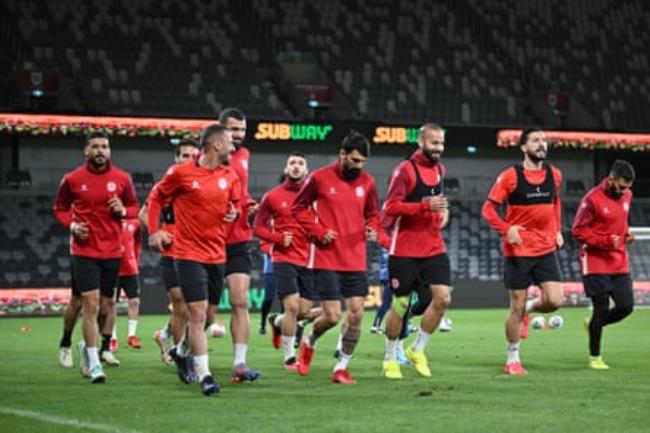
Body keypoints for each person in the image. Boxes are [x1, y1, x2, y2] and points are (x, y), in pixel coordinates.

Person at [147, 124, 239, 396]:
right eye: (230, 142)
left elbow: (234, 206)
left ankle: (181, 350)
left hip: (217, 253)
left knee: (209, 316)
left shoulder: (230, 176)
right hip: (187, 253)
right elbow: (155, 199)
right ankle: (205, 376)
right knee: (196, 313)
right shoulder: (181, 173)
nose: (234, 147)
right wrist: (154, 231)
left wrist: (233, 212)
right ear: (216, 145)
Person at [292, 131, 381, 385]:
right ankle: (309, 339)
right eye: (354, 160)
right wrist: (318, 231)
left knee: (356, 314)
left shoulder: (368, 183)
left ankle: (341, 367)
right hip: (326, 257)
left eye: (362, 162)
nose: (358, 166)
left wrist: (372, 227)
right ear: (342, 154)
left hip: (355, 258)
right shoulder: (318, 178)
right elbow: (298, 209)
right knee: (332, 316)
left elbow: (373, 214)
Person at [53, 130, 139, 383]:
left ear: (109, 151)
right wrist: (72, 226)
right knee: (85, 304)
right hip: (84, 250)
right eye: (95, 147)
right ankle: (88, 359)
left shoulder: (122, 178)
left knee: (107, 306)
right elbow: (59, 208)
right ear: (86, 151)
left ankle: (92, 348)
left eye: (105, 146)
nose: (100, 151)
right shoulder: (72, 179)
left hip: (112, 251)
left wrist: (123, 210)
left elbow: (134, 207)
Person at [482, 128, 564, 376]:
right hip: (518, 251)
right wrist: (507, 230)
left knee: (554, 301)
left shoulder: (555, 175)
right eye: (536, 141)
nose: (542, 144)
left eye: (544, 141)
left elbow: (556, 202)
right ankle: (512, 359)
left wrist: (558, 229)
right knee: (515, 307)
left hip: (546, 247)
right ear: (523, 147)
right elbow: (488, 209)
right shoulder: (510, 176)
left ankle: (529, 309)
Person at [380, 123, 451, 380]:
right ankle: (389, 358)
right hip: (405, 248)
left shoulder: (441, 170)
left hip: (433, 245)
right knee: (400, 304)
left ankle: (417, 349)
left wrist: (443, 211)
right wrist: (424, 205)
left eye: (441, 144)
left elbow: (438, 201)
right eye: (434, 143)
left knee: (443, 299)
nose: (438, 148)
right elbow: (390, 207)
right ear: (421, 142)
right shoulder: (404, 170)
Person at [253, 152, 320, 370]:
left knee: (303, 311)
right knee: (292, 306)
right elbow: (258, 228)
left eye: (301, 163)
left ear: (306, 170)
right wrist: (278, 239)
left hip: (308, 259)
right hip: (283, 257)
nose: (296, 166)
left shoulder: (316, 199)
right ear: (286, 169)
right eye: (292, 163)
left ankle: (277, 321)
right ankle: (290, 357)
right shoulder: (272, 196)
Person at [571, 160, 636, 369]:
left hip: (619, 261)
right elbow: (578, 230)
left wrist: (626, 234)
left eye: (627, 187)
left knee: (626, 307)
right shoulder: (592, 199)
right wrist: (608, 241)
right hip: (595, 261)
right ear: (611, 179)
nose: (624, 191)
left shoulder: (627, 195)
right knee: (601, 309)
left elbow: (622, 219)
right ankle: (595, 357)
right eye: (621, 186)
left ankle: (593, 325)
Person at [142, 139, 199, 365]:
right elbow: (143, 214)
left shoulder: (203, 184)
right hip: (173, 251)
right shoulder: (165, 185)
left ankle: (165, 334)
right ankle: (183, 360)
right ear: (176, 159)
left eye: (193, 156)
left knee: (199, 308)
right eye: (184, 155)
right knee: (180, 304)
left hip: (198, 250)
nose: (189, 160)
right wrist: (158, 231)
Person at [218, 107, 261, 382]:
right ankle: (182, 350)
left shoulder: (244, 155)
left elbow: (240, 193)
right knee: (204, 312)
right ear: (220, 130)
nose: (238, 135)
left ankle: (239, 364)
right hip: (210, 240)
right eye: (233, 129)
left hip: (240, 238)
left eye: (242, 130)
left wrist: (249, 205)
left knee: (240, 301)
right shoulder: (204, 160)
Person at [111, 217, 142, 350]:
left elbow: (138, 242)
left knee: (134, 301)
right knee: (111, 303)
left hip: (130, 269)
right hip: (113, 269)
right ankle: (112, 338)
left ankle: (131, 336)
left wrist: (135, 258)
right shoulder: (109, 221)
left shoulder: (134, 223)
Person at [257, 240, 276, 335]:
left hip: (285, 269)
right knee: (269, 298)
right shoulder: (268, 232)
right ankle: (263, 323)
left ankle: (281, 326)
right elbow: (266, 248)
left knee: (287, 300)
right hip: (270, 270)